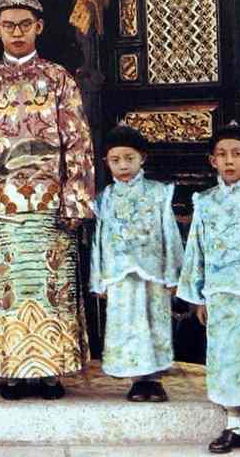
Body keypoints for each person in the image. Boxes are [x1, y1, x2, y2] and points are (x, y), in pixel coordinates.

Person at [0, 0, 95, 400]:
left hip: (51, 208)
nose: (17, 32)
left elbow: (78, 142)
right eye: (9, 24)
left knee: (51, 287)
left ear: (39, 27)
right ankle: (11, 372)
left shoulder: (58, 78)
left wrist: (76, 199)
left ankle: (51, 373)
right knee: (4, 291)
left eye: (25, 24)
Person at [178, 122, 240, 457]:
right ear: (212, 161)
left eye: (237, 153)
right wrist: (197, 297)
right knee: (225, 356)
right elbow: (196, 250)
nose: (229, 160)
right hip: (219, 295)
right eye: (221, 154)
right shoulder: (205, 202)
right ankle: (234, 422)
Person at [90, 124, 184, 401]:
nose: (123, 166)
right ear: (106, 162)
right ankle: (135, 380)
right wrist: (100, 279)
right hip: (119, 275)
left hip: (153, 272)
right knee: (126, 324)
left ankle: (153, 379)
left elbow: (170, 233)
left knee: (154, 321)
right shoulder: (105, 198)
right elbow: (99, 239)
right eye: (115, 160)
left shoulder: (158, 193)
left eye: (129, 158)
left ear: (142, 157)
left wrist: (173, 275)